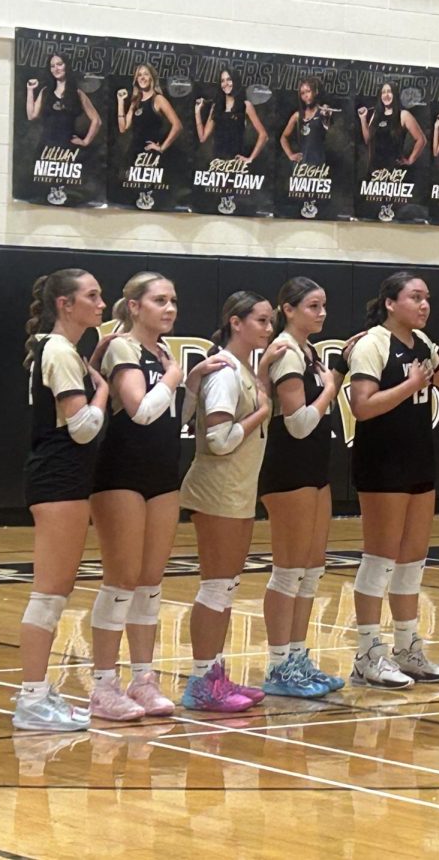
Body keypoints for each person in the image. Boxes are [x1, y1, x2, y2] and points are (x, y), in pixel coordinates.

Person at [347, 273, 439, 688]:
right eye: (415, 297)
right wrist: (410, 385)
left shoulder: (424, 344)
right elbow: (362, 407)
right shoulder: (372, 344)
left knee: (412, 562)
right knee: (380, 558)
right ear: (390, 303)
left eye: (427, 298)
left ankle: (407, 648)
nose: (424, 305)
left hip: (419, 459)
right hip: (382, 462)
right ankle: (367, 652)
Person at [89, 272, 191, 721]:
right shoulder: (120, 348)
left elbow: (171, 415)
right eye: (159, 300)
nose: (168, 308)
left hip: (162, 474)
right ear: (134, 306)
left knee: (150, 581)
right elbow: (141, 410)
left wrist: (192, 378)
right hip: (121, 474)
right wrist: (173, 376)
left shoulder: (163, 352)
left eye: (173, 300)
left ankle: (144, 679)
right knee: (122, 579)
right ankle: (102, 685)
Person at [179, 291, 286, 711]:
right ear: (235, 322)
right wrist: (263, 411)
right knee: (216, 586)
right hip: (217, 489)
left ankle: (214, 673)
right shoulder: (225, 371)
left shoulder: (243, 369)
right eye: (260, 320)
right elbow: (218, 440)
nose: (268, 328)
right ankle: (202, 680)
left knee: (227, 586)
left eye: (270, 321)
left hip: (237, 490)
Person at [13, 269, 109, 731]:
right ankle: (31, 698)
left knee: (56, 591)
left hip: (64, 480)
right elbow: (84, 426)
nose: (102, 303)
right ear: (65, 305)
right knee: (49, 594)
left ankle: (38, 691)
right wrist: (106, 389)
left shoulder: (63, 351)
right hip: (58, 480)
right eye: (92, 296)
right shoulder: (56, 350)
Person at [258, 278, 344, 697]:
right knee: (288, 571)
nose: (322, 313)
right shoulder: (285, 353)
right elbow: (298, 423)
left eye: (324, 305)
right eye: (313, 306)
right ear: (287, 309)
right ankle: (277, 667)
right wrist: (331, 388)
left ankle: (297, 658)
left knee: (311, 570)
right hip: (287, 470)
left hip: (314, 468)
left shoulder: (307, 353)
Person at [25, 53, 101, 149]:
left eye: (59, 64)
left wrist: (85, 142)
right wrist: (30, 90)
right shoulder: (45, 92)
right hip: (46, 149)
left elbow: (97, 120)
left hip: (68, 150)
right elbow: (31, 115)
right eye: (52, 66)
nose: (56, 69)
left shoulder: (77, 93)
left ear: (66, 65)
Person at [195, 67, 268, 163]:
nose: (225, 84)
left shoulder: (246, 105)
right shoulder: (216, 107)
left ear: (235, 81)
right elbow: (202, 138)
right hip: (217, 165)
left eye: (229, 79)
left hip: (236, 165)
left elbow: (264, 135)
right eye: (222, 81)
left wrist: (250, 159)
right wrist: (197, 112)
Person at [116, 63, 182, 159]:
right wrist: (120, 101)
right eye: (139, 75)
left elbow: (178, 126)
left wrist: (162, 148)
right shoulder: (135, 102)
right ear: (136, 80)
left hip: (150, 156)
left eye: (146, 74)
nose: (142, 77)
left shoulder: (158, 99)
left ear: (152, 78)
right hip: (133, 154)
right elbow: (123, 128)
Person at [358, 82, 427, 173]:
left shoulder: (403, 115)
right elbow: (368, 140)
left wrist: (410, 160)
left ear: (394, 94)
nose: (386, 95)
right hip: (374, 171)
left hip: (394, 173)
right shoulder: (376, 114)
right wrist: (363, 119)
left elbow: (421, 140)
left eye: (389, 91)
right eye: (383, 92)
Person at [280, 77, 333, 165]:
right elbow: (283, 137)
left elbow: (328, 127)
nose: (305, 95)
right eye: (302, 93)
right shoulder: (297, 115)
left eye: (308, 91)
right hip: (301, 166)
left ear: (316, 92)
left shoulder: (323, 111)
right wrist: (290, 155)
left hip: (320, 165)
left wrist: (326, 116)